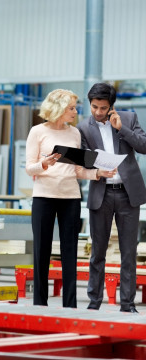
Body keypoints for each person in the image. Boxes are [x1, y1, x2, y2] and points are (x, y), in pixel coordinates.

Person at [26, 89, 114, 308]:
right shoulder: (37, 132)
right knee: (41, 251)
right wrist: (44, 164)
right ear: (58, 109)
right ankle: (40, 304)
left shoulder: (74, 134)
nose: (76, 112)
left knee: (70, 252)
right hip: (44, 196)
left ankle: (70, 305)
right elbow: (29, 168)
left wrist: (97, 173)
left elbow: (77, 171)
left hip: (71, 197)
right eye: (72, 108)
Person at [77, 82, 146, 313]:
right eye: (94, 106)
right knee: (98, 252)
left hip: (128, 195)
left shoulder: (128, 118)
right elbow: (82, 161)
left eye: (103, 107)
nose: (98, 112)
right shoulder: (83, 128)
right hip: (101, 193)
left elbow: (144, 146)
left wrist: (121, 130)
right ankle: (94, 302)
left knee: (129, 252)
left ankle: (127, 304)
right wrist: (96, 167)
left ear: (111, 106)